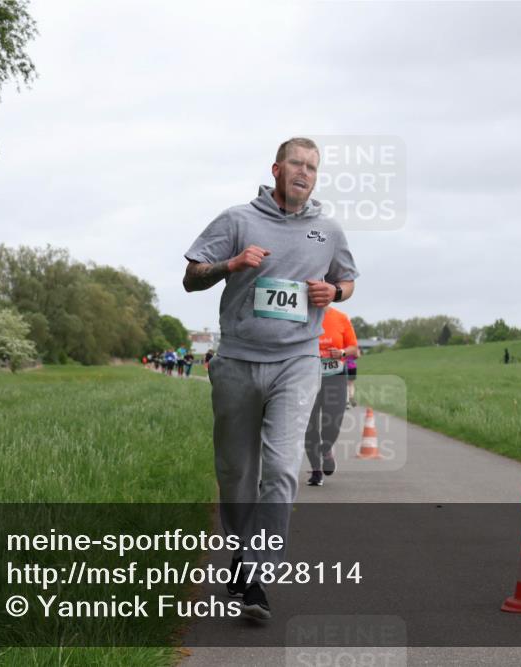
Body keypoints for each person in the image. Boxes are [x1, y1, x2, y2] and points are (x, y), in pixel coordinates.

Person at [182, 137, 358, 619]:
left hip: (296, 362)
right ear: (276, 169)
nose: (304, 173)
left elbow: (347, 280)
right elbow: (191, 278)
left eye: (312, 168)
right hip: (237, 361)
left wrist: (334, 292)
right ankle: (241, 553)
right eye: (296, 164)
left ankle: (257, 573)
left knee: (281, 468)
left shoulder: (328, 230)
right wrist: (231, 264)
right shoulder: (238, 220)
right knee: (236, 472)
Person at [305, 306, 359, 486]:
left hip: (335, 378)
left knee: (334, 421)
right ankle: (316, 471)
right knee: (309, 427)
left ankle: (326, 449)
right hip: (307, 379)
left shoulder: (340, 318)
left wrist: (342, 353)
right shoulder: (301, 314)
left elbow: (354, 349)